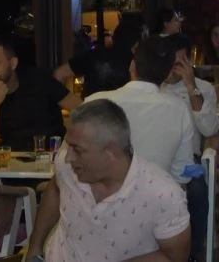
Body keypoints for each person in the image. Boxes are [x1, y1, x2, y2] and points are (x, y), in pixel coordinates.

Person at [24, 99, 190, 262]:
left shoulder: (163, 194)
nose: (68, 157)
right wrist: (35, 247)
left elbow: (175, 257)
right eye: (69, 146)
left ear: (111, 152)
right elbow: (55, 188)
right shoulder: (68, 166)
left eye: (78, 150)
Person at [84, 35, 195, 185]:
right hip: (154, 195)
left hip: (99, 196)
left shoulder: (94, 102)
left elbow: (68, 162)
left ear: (132, 65)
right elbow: (183, 173)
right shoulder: (179, 109)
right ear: (169, 73)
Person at [162, 33, 219, 261]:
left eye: (179, 63)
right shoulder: (152, 86)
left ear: (188, 62)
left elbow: (209, 129)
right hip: (155, 154)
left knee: (197, 190)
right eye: (169, 62)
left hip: (188, 158)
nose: (172, 69)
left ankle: (193, 253)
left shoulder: (203, 88)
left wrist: (191, 87)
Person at [0, 36, 82, 151]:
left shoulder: (39, 80)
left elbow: (82, 108)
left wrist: (72, 138)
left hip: (50, 155)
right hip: (11, 159)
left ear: (13, 63)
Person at [53, 15, 144, 98]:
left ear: (114, 38)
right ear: (136, 44)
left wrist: (73, 102)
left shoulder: (91, 56)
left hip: (91, 108)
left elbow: (59, 74)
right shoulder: (136, 63)